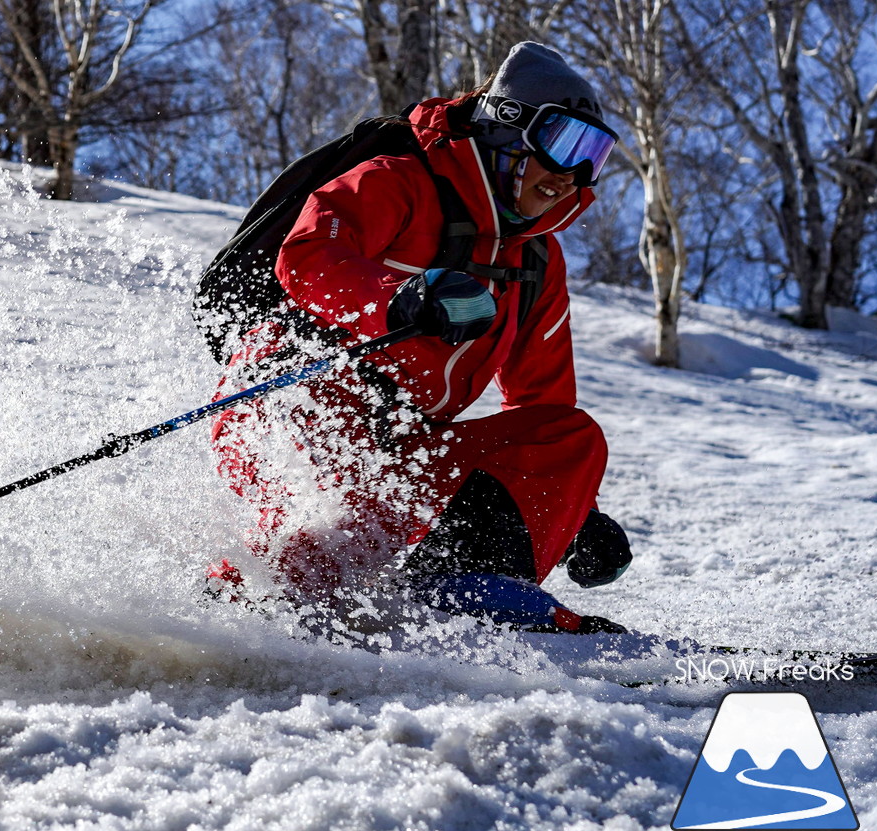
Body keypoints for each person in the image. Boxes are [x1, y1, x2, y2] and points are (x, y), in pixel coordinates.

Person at [208, 42, 633, 635]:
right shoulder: (400, 182)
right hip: (296, 408)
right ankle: (240, 600)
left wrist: (572, 511)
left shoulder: (536, 260)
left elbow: (542, 402)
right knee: (313, 569)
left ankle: (468, 594)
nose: (573, 174)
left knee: (571, 438)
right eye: (565, 142)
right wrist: (396, 298)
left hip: (403, 446)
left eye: (595, 154)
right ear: (506, 131)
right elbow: (306, 256)